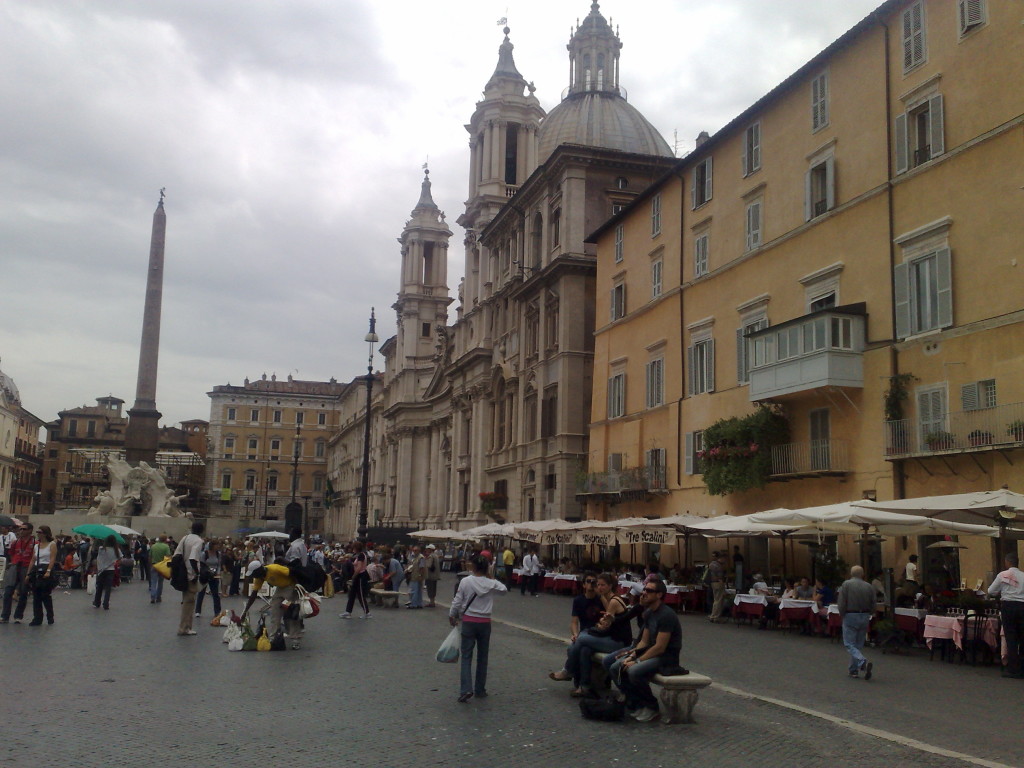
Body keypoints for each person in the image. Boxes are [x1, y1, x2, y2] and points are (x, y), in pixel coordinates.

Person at [608, 578, 683, 722]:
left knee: (634, 671)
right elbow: (644, 641)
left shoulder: (666, 615)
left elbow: (660, 647)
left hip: (667, 657)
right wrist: (632, 655)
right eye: (644, 589)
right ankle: (636, 703)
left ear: (659, 595)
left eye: (649, 591)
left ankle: (652, 707)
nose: (644, 593)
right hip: (652, 652)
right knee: (615, 667)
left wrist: (637, 661)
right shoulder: (649, 613)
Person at [449, 554, 508, 703]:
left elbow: (457, 600)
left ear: (473, 567)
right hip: (485, 622)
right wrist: (491, 578)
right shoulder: (491, 583)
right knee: (483, 657)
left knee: (466, 656)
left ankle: (466, 689)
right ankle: (480, 689)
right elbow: (504, 589)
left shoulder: (465, 581)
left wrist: (452, 614)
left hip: (469, 620)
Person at [988, 552, 1024, 678]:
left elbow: (991, 591)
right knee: (1022, 637)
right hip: (1022, 606)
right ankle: (1023, 667)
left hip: (1008, 606)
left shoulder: (1002, 575)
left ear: (1007, 562)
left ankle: (1013, 668)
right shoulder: (1023, 576)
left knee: (1011, 637)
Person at [838, 565, 875, 680]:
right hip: (864, 615)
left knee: (849, 643)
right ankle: (853, 670)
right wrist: (871, 613)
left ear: (851, 574)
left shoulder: (846, 584)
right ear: (862, 574)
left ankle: (861, 660)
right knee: (858, 644)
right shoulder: (869, 586)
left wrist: (842, 613)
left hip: (850, 614)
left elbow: (842, 601)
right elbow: (873, 603)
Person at [173, 521, 205, 636]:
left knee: (187, 600)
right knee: (189, 602)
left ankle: (187, 626)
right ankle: (184, 627)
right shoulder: (198, 541)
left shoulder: (185, 538)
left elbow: (176, 554)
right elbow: (193, 559)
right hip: (190, 574)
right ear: (202, 530)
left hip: (182, 573)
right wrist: (196, 574)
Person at [1, 523, 35, 623]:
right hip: (15, 566)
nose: (21, 531)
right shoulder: (16, 542)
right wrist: (14, 562)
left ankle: (18, 616)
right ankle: (5, 616)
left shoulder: (34, 543)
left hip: (26, 567)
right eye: (20, 529)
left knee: (23, 593)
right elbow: (11, 553)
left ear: (30, 530)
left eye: (24, 529)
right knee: (8, 591)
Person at [29, 525, 57, 626]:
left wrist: (48, 570)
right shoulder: (36, 545)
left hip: (46, 569)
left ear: (45, 533)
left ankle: (50, 616)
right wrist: (28, 573)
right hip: (37, 570)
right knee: (36, 596)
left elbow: (52, 558)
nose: (38, 534)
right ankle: (37, 618)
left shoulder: (52, 544)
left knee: (45, 595)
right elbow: (33, 560)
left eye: (39, 532)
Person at [340, 541, 370, 619]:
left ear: (356, 548)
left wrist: (353, 576)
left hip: (360, 576)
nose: (352, 549)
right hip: (358, 576)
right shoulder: (358, 555)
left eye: (353, 548)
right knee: (352, 594)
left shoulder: (361, 556)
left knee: (360, 595)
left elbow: (359, 567)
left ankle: (367, 613)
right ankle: (348, 611)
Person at [194, 540, 223, 619]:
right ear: (212, 545)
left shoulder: (218, 554)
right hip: (205, 574)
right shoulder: (204, 554)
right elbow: (201, 564)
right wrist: (205, 571)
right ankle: (198, 611)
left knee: (215, 594)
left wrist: (218, 572)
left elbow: (219, 564)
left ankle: (217, 611)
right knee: (201, 593)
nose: (217, 546)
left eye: (218, 545)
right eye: (216, 545)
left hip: (214, 575)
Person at [91, 535, 120, 611]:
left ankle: (97, 602)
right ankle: (106, 604)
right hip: (110, 570)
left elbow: (98, 558)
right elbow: (120, 559)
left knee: (99, 586)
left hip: (101, 570)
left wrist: (95, 569)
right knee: (108, 588)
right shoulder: (116, 550)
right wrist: (114, 563)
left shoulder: (101, 549)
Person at [148, 535, 170, 604]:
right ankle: (158, 597)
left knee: (153, 582)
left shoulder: (153, 546)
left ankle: (152, 597)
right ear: (165, 540)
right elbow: (168, 557)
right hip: (162, 567)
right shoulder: (166, 547)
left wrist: (150, 564)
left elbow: (150, 557)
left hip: (154, 565)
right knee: (160, 582)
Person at [707, 552, 727, 623]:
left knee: (716, 600)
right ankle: (716, 617)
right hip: (718, 583)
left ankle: (713, 615)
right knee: (719, 600)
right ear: (721, 558)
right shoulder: (718, 566)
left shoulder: (711, 564)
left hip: (712, 583)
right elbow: (720, 576)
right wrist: (721, 582)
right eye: (724, 559)